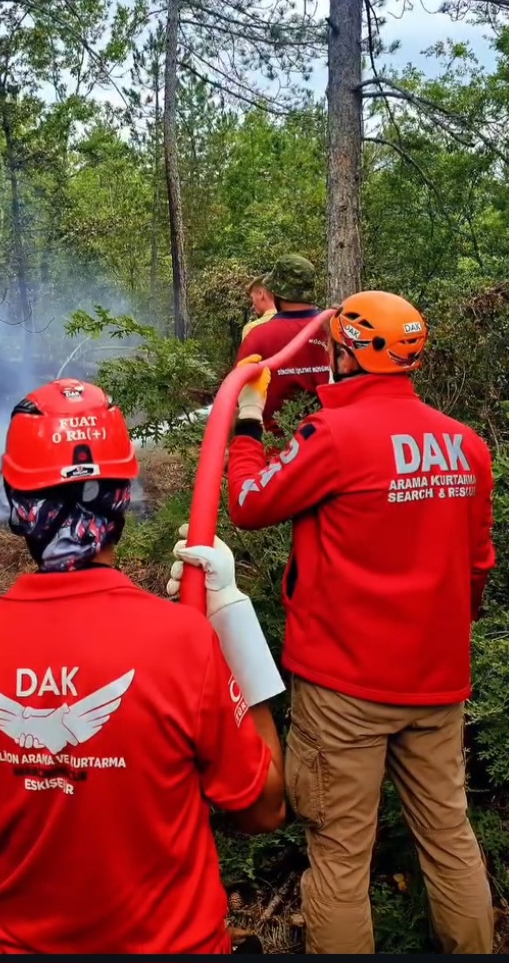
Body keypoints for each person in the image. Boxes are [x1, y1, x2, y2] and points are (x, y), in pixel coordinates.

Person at [0, 378, 286, 955]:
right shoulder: (181, 640)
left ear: (18, 506)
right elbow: (264, 808)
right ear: (121, 496)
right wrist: (234, 620)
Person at [225, 290, 496, 955]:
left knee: (341, 855)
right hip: (437, 686)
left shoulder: (336, 437)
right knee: (451, 839)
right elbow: (477, 567)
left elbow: (249, 503)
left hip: (344, 689)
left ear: (348, 354)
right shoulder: (465, 446)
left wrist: (249, 421)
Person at [235, 254, 329, 437]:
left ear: (276, 291)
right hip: (329, 445)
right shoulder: (333, 329)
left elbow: (238, 402)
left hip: (275, 454)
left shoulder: (258, 336)